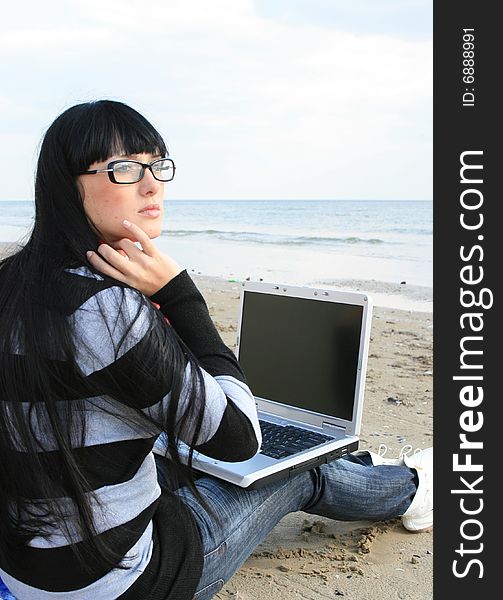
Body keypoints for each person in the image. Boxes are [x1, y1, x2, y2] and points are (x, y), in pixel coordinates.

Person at [0, 100, 433, 600]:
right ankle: (415, 492)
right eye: (123, 169)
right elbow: (240, 437)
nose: (151, 185)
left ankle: (369, 474)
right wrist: (179, 293)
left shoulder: (14, 283)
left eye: (157, 165)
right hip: (116, 581)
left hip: (26, 564)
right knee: (297, 470)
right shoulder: (105, 309)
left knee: (192, 459)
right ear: (66, 186)